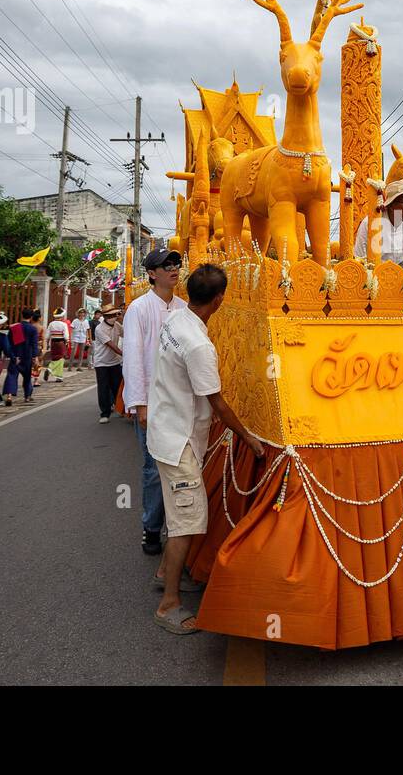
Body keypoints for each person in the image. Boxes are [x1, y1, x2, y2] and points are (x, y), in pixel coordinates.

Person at [147, 264, 264, 634]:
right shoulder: (199, 345)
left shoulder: (175, 320)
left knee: (179, 513)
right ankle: (169, 605)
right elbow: (218, 403)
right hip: (178, 439)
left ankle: (167, 572)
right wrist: (247, 436)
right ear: (219, 300)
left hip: (165, 430)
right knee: (186, 521)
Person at [123, 248, 187, 555]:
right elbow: (133, 358)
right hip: (152, 402)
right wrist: (140, 404)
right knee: (153, 468)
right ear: (152, 274)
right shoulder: (138, 309)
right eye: (166, 265)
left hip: (179, 402)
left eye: (176, 264)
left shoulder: (184, 308)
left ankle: (177, 528)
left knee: (179, 466)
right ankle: (151, 527)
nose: (174, 269)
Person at [93, 304, 124, 424]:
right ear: (105, 316)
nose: (113, 317)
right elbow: (111, 345)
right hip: (102, 363)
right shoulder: (99, 329)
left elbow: (128, 334)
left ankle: (119, 407)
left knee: (117, 386)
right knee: (103, 388)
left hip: (115, 362)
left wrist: (122, 320)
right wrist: (124, 354)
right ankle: (105, 413)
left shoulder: (117, 326)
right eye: (110, 315)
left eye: (114, 315)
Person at [4, 307, 40, 406]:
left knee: (12, 375)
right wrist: (35, 357)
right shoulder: (32, 329)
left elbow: (9, 343)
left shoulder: (14, 327)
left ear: (21, 315)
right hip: (27, 356)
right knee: (27, 376)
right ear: (31, 317)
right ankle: (27, 396)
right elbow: (34, 344)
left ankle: (9, 396)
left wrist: (10, 354)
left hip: (15, 355)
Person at [43, 309, 70, 381]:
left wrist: (47, 343)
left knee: (55, 357)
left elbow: (47, 335)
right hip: (61, 342)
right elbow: (66, 336)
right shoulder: (63, 324)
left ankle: (59, 377)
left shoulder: (51, 323)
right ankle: (50, 369)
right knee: (61, 358)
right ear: (61, 316)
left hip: (53, 342)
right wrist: (67, 342)